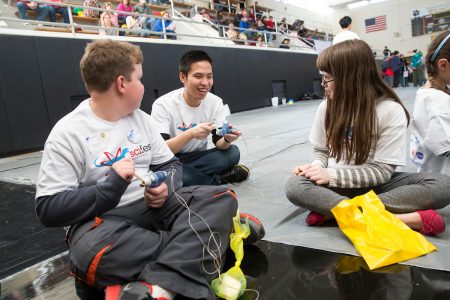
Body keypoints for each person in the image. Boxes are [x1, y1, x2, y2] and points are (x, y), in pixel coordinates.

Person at [35, 39, 238, 300]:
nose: (143, 85)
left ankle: (159, 288)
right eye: (139, 79)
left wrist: (166, 188)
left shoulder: (142, 120)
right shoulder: (67, 133)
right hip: (104, 223)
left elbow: (171, 164)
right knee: (90, 253)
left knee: (221, 198)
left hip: (155, 209)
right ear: (122, 83)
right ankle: (202, 247)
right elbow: (48, 209)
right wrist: (110, 189)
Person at [285, 39, 450, 236]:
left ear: (349, 78)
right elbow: (321, 150)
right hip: (337, 187)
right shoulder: (326, 107)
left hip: (378, 187)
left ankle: (338, 212)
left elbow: (382, 172)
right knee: (294, 185)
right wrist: (316, 169)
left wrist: (331, 175)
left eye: (327, 79)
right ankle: (390, 218)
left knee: (443, 185)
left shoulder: (390, 110)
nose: (324, 85)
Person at [151, 50, 250, 187]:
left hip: (198, 157)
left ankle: (191, 178)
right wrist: (190, 133)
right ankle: (219, 179)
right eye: (198, 76)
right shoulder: (163, 105)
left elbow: (219, 143)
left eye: (209, 77)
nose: (205, 83)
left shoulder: (215, 103)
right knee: (173, 172)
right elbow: (161, 151)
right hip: (170, 159)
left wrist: (226, 138)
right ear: (183, 77)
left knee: (233, 152)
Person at [410, 31, 450, 176]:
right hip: (443, 182)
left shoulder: (425, 92)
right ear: (443, 64)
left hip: (430, 175)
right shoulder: (438, 101)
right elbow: (444, 147)